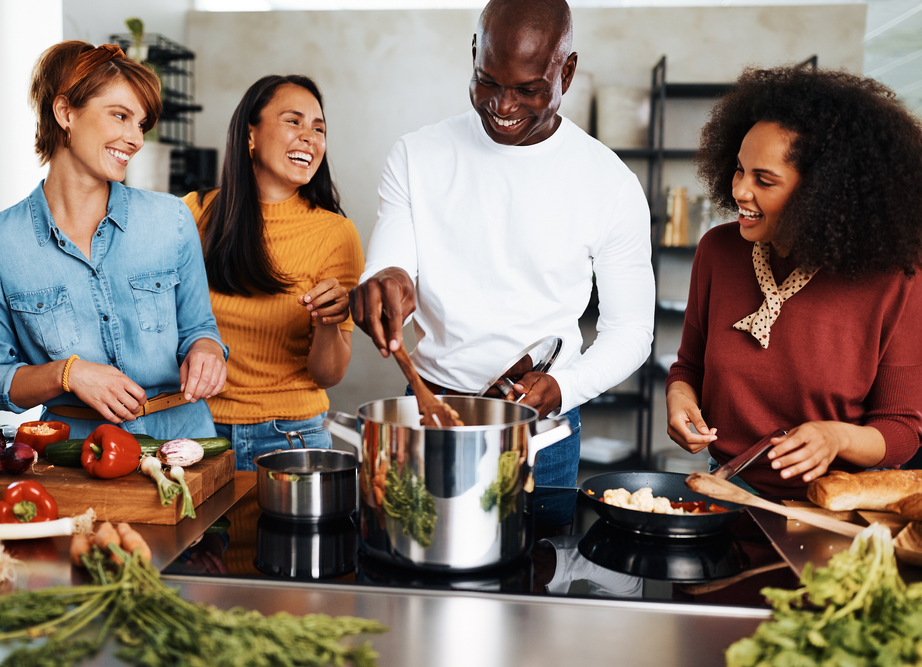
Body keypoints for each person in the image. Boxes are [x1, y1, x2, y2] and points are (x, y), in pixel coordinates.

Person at [349, 0, 655, 501]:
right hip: (429, 410)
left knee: (537, 575)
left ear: (567, 72)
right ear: (474, 54)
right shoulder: (417, 155)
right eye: (487, 81)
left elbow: (631, 331)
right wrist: (386, 286)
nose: (503, 106)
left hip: (542, 428)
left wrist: (565, 389)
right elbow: (392, 266)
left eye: (528, 89)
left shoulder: (611, 184)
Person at [665, 65, 922, 497]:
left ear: (823, 195)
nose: (741, 192)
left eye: (764, 179)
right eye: (740, 170)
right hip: (724, 495)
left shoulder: (894, 277)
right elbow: (689, 366)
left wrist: (835, 437)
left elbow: (902, 428)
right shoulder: (718, 251)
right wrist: (680, 399)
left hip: (833, 510)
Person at [0, 41, 227, 440]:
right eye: (120, 115)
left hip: (186, 444)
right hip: (75, 458)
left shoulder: (171, 218)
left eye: (140, 124)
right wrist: (67, 373)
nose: (135, 138)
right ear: (65, 112)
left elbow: (199, 327)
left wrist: (206, 350)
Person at [183, 75, 364, 471]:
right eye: (293, 121)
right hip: (196, 433)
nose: (310, 137)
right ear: (251, 134)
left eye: (319, 128)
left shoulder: (335, 233)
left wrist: (329, 321)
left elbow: (328, 374)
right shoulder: (194, 215)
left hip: (290, 436)